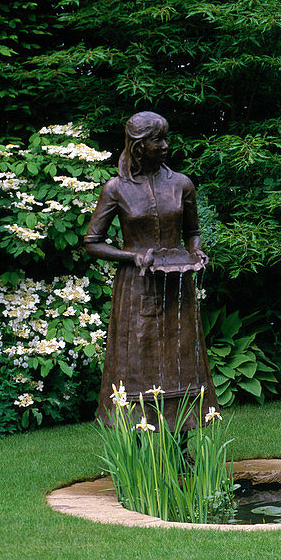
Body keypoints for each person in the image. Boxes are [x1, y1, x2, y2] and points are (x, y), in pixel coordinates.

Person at [84, 110, 217, 430]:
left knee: (181, 360)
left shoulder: (182, 184)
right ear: (139, 146)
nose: (166, 145)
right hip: (137, 287)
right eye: (158, 139)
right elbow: (92, 242)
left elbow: (192, 232)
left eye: (165, 137)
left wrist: (195, 250)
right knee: (138, 365)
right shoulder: (116, 189)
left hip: (177, 287)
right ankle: (141, 443)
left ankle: (182, 443)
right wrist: (132, 256)